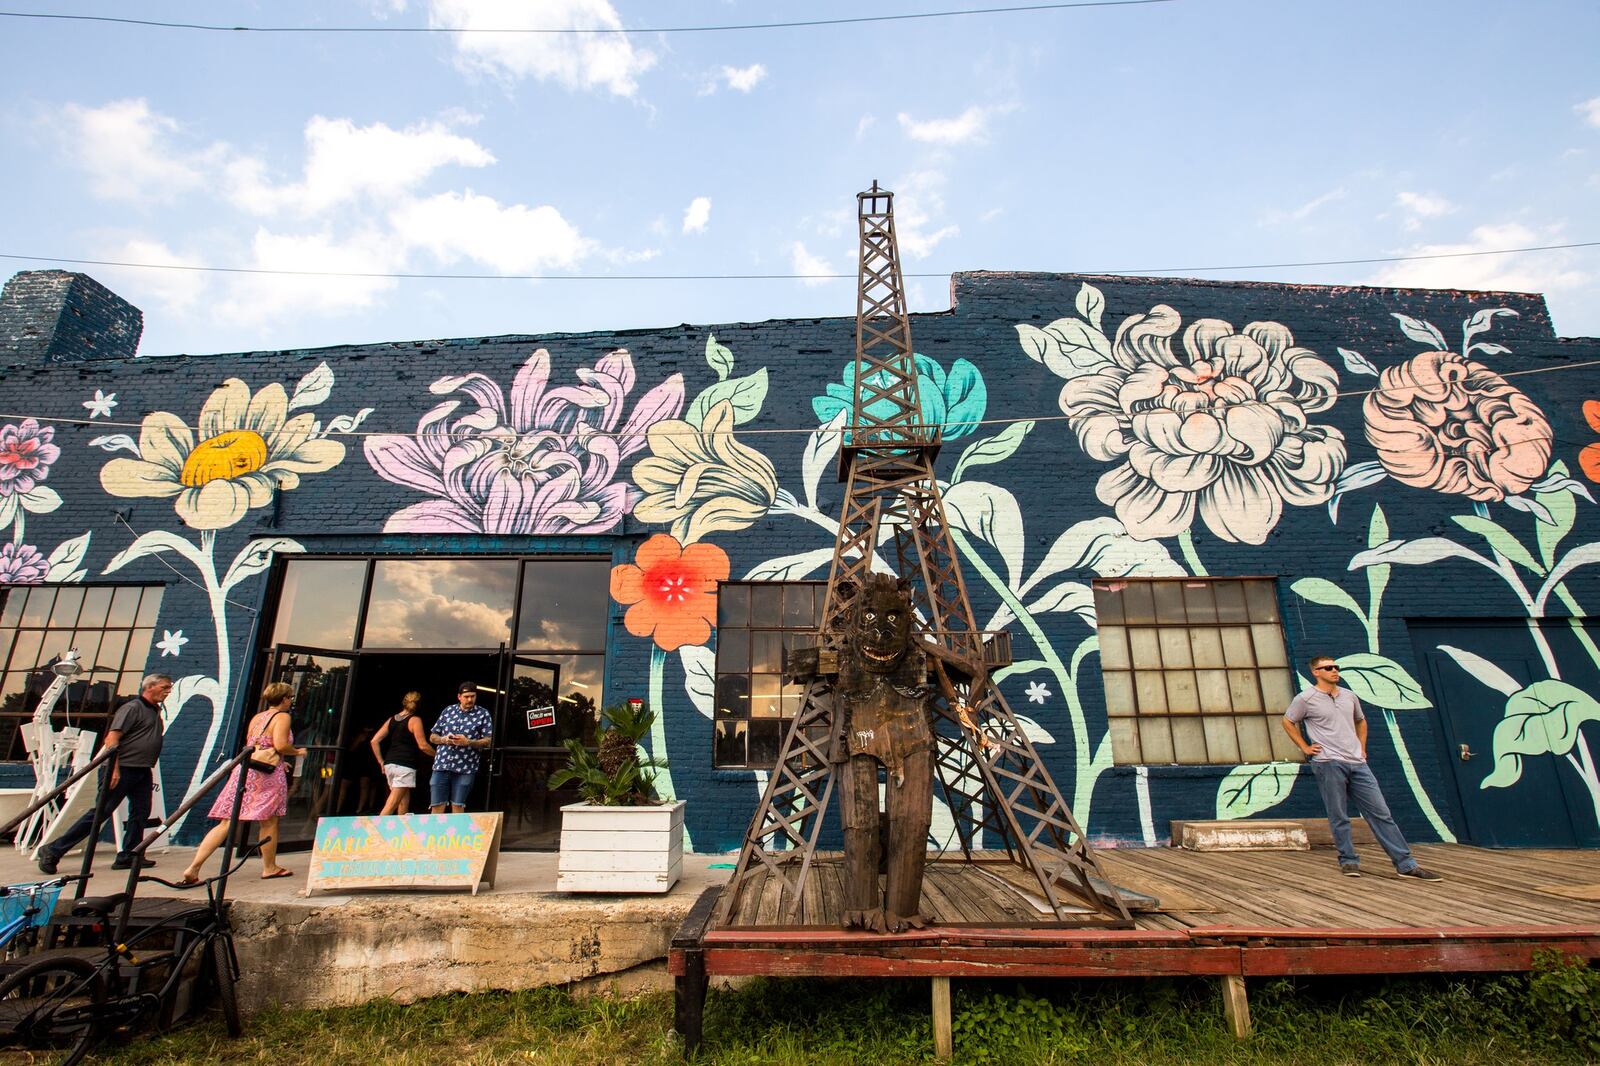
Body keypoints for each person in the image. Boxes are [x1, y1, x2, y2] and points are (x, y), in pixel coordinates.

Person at [1282, 656, 1444, 882]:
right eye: (1328, 668)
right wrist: (1305, 747)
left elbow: (1361, 721)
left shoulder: (1349, 696)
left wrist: (1362, 747)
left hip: (1358, 763)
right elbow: (1288, 721)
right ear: (1316, 672)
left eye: (1336, 667)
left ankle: (1406, 864)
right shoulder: (1306, 698)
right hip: (1328, 762)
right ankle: (1348, 860)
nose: (1335, 671)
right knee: (1339, 814)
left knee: (1381, 813)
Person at [38, 672, 172, 874]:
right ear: (149, 687)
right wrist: (114, 769)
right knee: (100, 813)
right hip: (123, 768)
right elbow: (112, 739)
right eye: (164, 687)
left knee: (141, 813)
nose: (167, 691)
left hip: (142, 770)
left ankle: (129, 854)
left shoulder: (154, 711)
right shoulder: (132, 708)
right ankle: (53, 850)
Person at [178, 681, 305, 884]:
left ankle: (194, 867)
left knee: (227, 821)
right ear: (283, 699)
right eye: (290, 697)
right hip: (266, 776)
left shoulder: (257, 717)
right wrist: (297, 752)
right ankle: (269, 867)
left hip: (246, 769)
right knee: (269, 820)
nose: (291, 701)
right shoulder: (282, 717)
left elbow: (255, 745)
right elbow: (280, 745)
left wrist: (279, 762)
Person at [428, 681, 492, 814]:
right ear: (459, 697)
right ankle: (435, 833)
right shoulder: (448, 710)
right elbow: (432, 736)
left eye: (472, 696)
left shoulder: (483, 714)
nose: (470, 699)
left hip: (466, 767)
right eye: (466, 696)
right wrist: (444, 739)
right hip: (442, 764)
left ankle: (455, 834)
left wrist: (468, 742)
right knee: (436, 804)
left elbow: (488, 741)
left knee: (458, 805)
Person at [371, 691, 435, 815]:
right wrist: (438, 756)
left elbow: (374, 741)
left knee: (402, 801)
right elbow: (423, 746)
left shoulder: (392, 719)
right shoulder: (415, 720)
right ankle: (374, 831)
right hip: (404, 766)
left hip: (390, 765)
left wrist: (381, 762)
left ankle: (401, 830)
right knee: (391, 804)